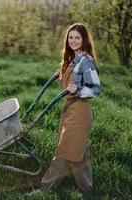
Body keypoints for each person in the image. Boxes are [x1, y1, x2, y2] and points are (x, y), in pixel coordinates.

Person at [41, 23, 101, 192]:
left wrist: (79, 91)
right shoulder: (74, 59)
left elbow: (95, 89)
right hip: (70, 111)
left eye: (78, 37)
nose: (73, 40)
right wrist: (62, 74)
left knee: (63, 152)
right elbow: (71, 84)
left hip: (79, 113)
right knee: (78, 154)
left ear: (84, 40)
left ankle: (45, 189)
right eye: (71, 37)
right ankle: (87, 190)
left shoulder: (86, 61)